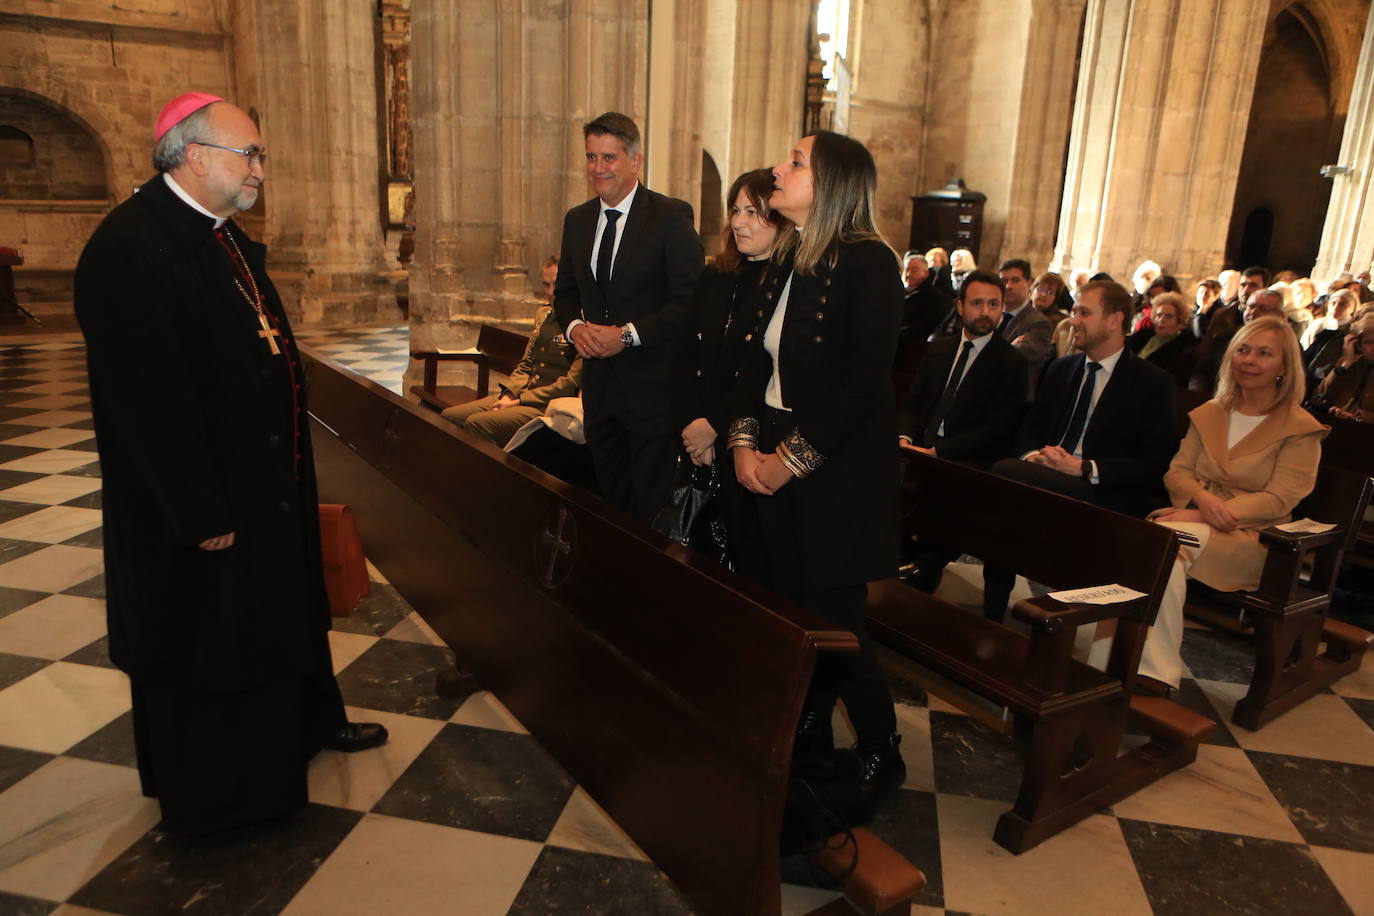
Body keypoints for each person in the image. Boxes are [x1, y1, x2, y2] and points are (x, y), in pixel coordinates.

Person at [72, 93, 386, 838]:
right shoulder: (131, 247)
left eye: (260, 156)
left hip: (262, 485)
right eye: (250, 155)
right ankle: (226, 800)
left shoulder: (219, 236)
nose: (260, 171)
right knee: (211, 641)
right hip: (204, 507)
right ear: (193, 155)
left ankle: (303, 729)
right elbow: (144, 406)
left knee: (273, 619)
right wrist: (199, 511)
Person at [727, 130, 904, 812]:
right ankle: (805, 731)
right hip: (769, 454)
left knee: (836, 620)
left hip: (834, 475)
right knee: (789, 608)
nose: (779, 167)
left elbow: (861, 387)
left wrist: (786, 463)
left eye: (795, 161)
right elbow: (752, 365)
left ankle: (881, 751)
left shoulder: (868, 264)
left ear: (832, 184)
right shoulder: (790, 257)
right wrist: (745, 444)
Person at [1136, 317, 1327, 691]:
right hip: (1194, 523)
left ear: (1284, 366)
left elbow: (1280, 497)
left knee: (1165, 542)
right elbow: (1177, 474)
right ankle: (1116, 659)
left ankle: (1153, 673)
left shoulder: (1299, 428)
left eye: (1264, 353)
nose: (1249, 360)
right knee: (1148, 541)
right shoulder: (1212, 411)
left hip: (1254, 538)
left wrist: (1198, 511)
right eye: (1243, 349)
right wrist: (1204, 501)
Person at [981, 280, 1176, 619]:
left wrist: (1085, 468)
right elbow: (1031, 430)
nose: (1074, 321)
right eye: (1074, 312)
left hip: (1103, 493)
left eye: (1084, 313)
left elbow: (1155, 465)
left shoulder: (1151, 382)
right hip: (1045, 477)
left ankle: (994, 608)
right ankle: (992, 609)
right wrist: (1035, 456)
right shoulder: (1061, 369)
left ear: (1115, 320)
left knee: (1004, 476)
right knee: (1012, 486)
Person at [553, 112, 703, 523]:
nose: (598, 168)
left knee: (648, 512)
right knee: (610, 502)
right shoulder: (578, 220)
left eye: (609, 158)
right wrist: (575, 328)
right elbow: (564, 293)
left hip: (652, 393)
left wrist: (629, 335)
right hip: (600, 391)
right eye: (591, 157)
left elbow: (690, 300)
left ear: (635, 161)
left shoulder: (670, 218)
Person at [441, 257, 583, 446]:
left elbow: (570, 383)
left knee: (477, 424)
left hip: (548, 405)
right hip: (521, 395)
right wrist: (510, 394)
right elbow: (526, 365)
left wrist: (518, 401)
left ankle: (494, 474)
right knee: (449, 417)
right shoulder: (544, 315)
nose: (550, 292)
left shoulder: (583, 324)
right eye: (546, 285)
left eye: (555, 284)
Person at [897, 268, 1027, 466]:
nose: (985, 312)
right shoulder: (939, 348)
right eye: (977, 303)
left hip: (963, 460)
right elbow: (913, 402)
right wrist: (905, 437)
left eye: (993, 304)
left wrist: (938, 452)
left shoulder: (1012, 362)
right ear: (960, 307)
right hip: (917, 446)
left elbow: (997, 430)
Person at [1189, 288, 1286, 395]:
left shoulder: (1286, 344)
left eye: (1264, 308)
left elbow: (1289, 381)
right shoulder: (1225, 337)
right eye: (1251, 306)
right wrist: (1199, 395)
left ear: (1280, 315)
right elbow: (1202, 371)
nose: (1253, 312)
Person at [998, 258, 1053, 396]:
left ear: (1029, 283)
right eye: (1004, 281)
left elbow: (1017, 358)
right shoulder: (992, 317)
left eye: (1015, 280)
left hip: (1015, 396)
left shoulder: (1039, 322)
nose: (1008, 286)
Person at [1311, 314, 1374, 422]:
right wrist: (1345, 365)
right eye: (1369, 342)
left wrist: (1360, 417)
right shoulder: (1352, 364)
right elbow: (1319, 398)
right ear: (1358, 344)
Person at [1129, 291, 1197, 386]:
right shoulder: (1143, 335)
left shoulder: (1186, 347)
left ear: (1180, 320)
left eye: (1168, 316)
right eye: (1158, 315)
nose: (1161, 320)